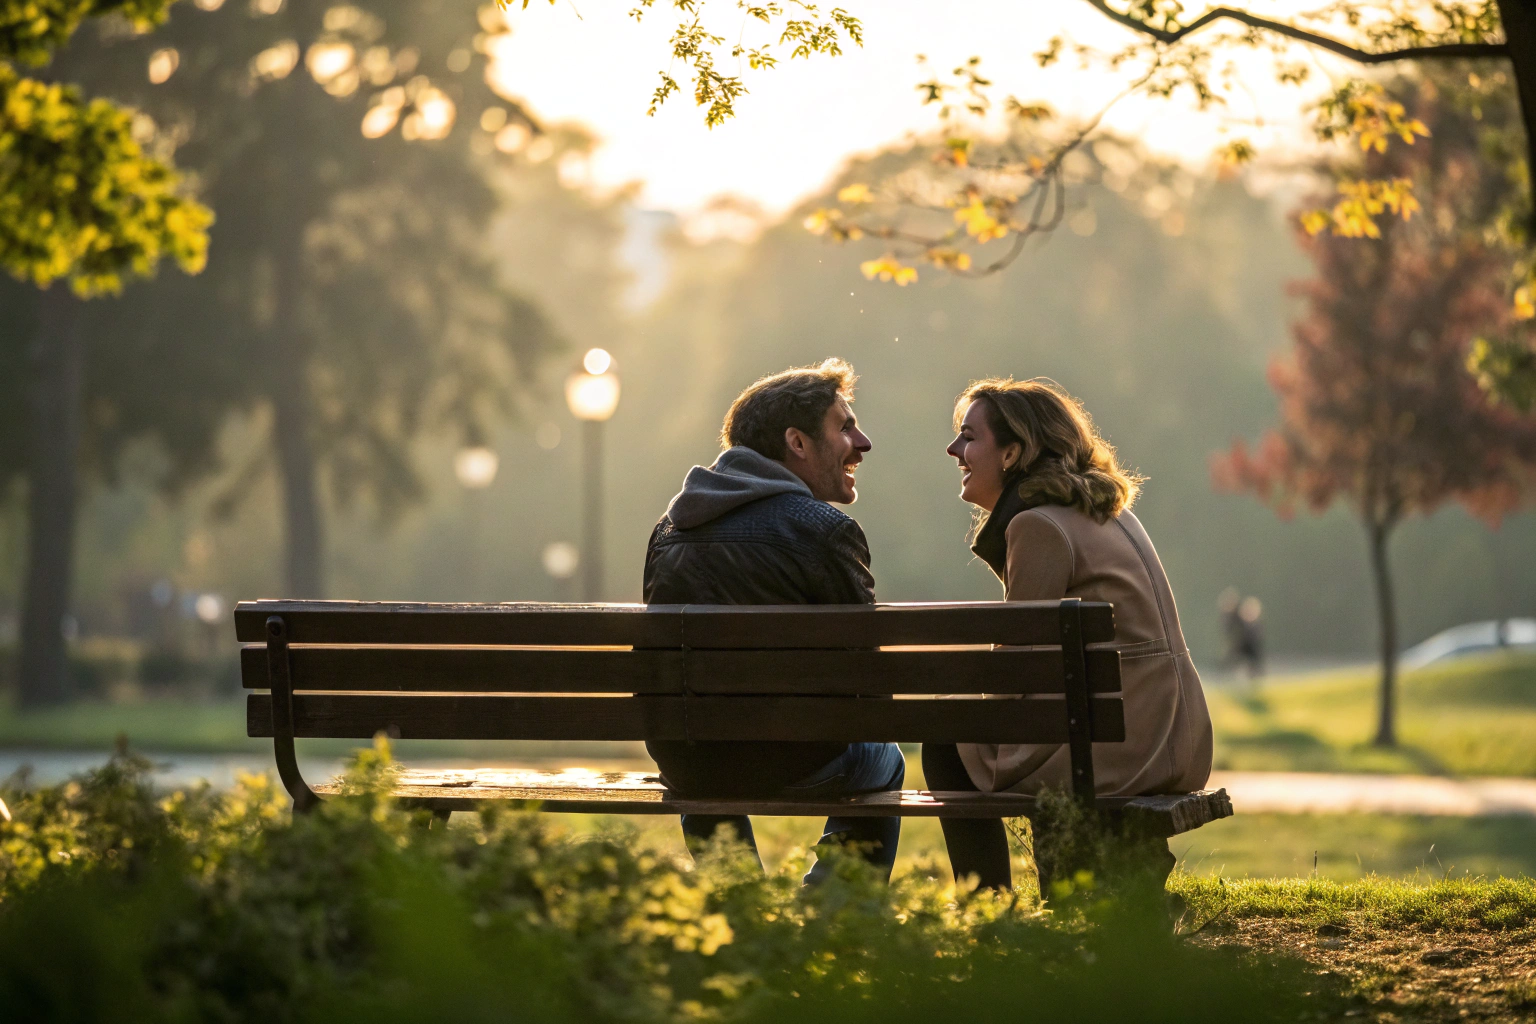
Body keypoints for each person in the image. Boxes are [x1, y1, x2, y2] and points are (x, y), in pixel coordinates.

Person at [922, 377, 1213, 894]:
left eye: (968, 436)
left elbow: (1017, 668)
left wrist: (973, 705)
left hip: (1114, 746)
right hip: (1172, 736)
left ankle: (988, 909)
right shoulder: (1108, 512)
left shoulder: (1036, 525)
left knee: (945, 740)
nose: (954, 450)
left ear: (1012, 452)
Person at [644, 358, 906, 883]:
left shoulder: (670, 530)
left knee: (700, 748)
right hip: (799, 759)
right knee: (887, 759)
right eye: (845, 426)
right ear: (798, 443)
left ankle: (741, 905)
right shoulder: (823, 528)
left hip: (689, 758)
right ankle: (832, 911)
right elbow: (868, 678)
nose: (863, 441)